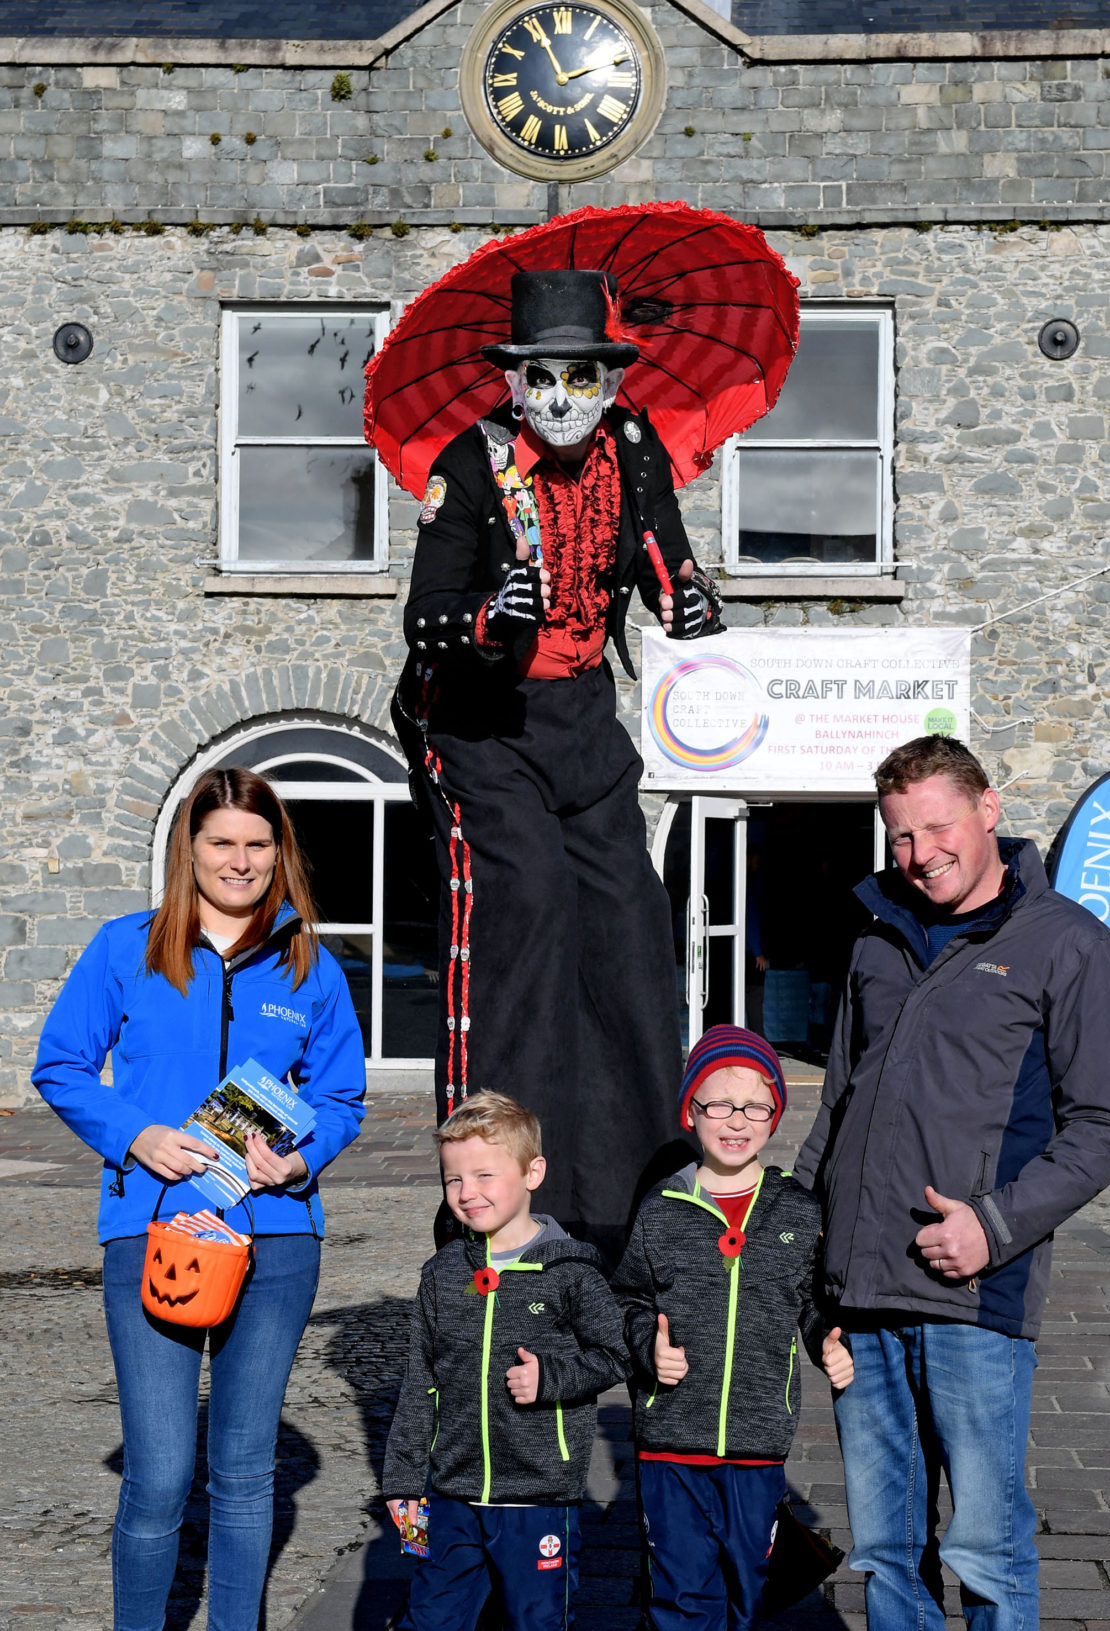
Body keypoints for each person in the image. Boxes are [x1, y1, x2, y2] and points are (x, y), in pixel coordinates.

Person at [391, 267, 722, 1261]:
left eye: (584, 375)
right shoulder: (471, 464)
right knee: (526, 906)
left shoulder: (633, 451)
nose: (564, 397)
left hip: (584, 719)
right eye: (544, 379)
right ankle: (489, 1183)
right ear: (515, 380)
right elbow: (425, 615)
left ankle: (632, 1189)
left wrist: (690, 601)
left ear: (615, 379)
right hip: (483, 729)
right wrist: (491, 615)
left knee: (627, 916)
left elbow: (667, 560)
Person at [794, 736, 1110, 1630]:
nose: (919, 854)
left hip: (974, 1296)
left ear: (989, 810)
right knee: (884, 1550)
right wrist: (803, 1258)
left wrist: (993, 1225)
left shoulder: (1070, 946)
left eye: (936, 826)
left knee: (986, 1548)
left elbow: (1108, 1126)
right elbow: (837, 1107)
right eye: (900, 836)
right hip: (860, 1298)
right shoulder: (875, 936)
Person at [32, 767, 367, 1631]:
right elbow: (61, 1064)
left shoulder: (312, 968)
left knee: (247, 1471)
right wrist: (136, 1136)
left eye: (258, 843)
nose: (241, 860)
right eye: (222, 840)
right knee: (159, 1474)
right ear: (191, 848)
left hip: (278, 1242)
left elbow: (342, 1099)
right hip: (153, 1231)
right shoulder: (126, 948)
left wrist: (298, 1163)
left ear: (278, 853)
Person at [612, 1025, 854, 1631]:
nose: (736, 1118)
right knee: (680, 1593)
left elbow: (808, 1297)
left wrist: (826, 1338)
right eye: (718, 1102)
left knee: (750, 1589)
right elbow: (628, 1298)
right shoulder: (661, 1208)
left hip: (758, 1446)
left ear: (775, 1116)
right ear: (690, 1112)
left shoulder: (796, 1208)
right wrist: (647, 1347)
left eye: (755, 1105)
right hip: (669, 1444)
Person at [382, 1092, 628, 1631]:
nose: (467, 1193)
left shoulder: (571, 1270)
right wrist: (403, 1482)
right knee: (430, 1618)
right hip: (447, 1498)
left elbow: (616, 1354)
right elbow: (420, 1378)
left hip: (540, 1499)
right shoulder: (442, 1274)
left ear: (532, 1172)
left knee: (537, 1620)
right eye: (453, 1180)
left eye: (484, 1176)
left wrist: (552, 1378)